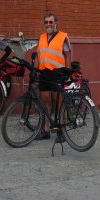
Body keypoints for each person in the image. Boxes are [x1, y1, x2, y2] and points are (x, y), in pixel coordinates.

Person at [33, 12, 71, 140]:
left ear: (56, 23)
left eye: (51, 22)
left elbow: (67, 55)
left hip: (57, 73)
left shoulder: (63, 37)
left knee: (58, 103)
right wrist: (35, 70)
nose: (48, 24)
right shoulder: (42, 37)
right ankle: (46, 130)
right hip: (44, 73)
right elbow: (38, 55)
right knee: (45, 102)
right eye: (46, 22)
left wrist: (67, 71)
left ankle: (62, 131)